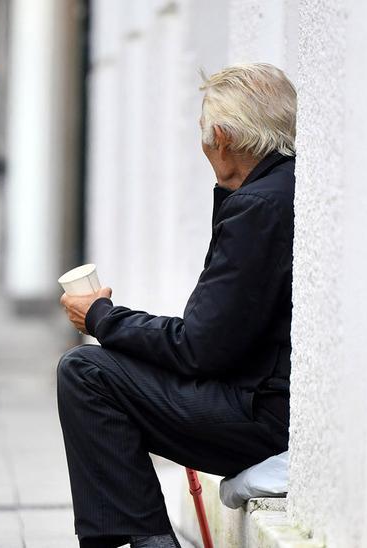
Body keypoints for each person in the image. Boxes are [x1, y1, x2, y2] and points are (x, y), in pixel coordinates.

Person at [55, 63, 296, 548]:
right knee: (104, 372)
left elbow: (199, 348)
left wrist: (100, 316)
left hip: (260, 416)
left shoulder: (259, 208)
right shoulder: (282, 190)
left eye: (204, 136)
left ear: (223, 137)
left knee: (86, 373)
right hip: (266, 397)